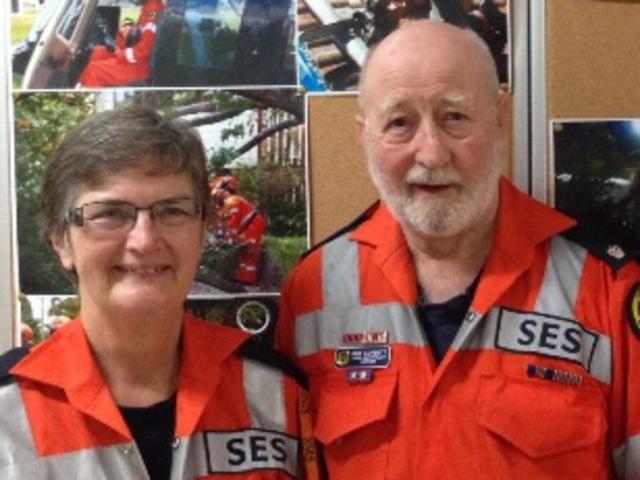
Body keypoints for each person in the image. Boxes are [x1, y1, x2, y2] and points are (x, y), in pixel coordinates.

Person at [276, 20, 640, 479]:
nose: (431, 153)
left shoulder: (604, 287)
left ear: (500, 117)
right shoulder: (313, 291)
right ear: (363, 136)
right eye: (400, 123)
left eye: (455, 118)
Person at [0, 107, 320, 479]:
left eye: (172, 211)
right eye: (111, 213)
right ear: (61, 240)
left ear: (203, 230)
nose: (145, 239)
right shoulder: (7, 412)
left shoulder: (275, 395)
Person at [78, 0, 164, 87]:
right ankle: (82, 86)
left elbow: (144, 50)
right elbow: (138, 39)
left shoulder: (153, 10)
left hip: (140, 67)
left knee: (95, 70)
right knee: (99, 52)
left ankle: (86, 94)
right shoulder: (148, 7)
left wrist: (121, 54)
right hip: (136, 60)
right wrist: (124, 34)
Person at [209, 176, 267, 286]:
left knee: (249, 253)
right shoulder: (227, 204)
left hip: (252, 226)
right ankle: (242, 279)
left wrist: (227, 241)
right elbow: (222, 224)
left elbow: (232, 226)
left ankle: (248, 281)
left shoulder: (232, 202)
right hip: (248, 226)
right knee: (244, 255)